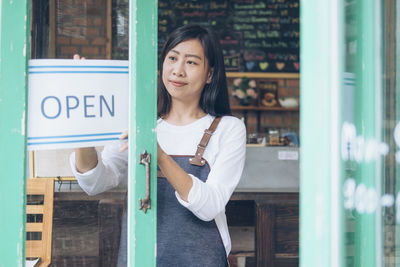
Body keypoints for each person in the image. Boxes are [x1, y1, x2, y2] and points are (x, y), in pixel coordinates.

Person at [70, 24, 246, 266]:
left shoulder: (228, 128)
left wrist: (158, 153)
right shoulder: (139, 121)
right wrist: (82, 128)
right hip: (140, 259)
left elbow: (210, 206)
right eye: (172, 58)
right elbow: (96, 182)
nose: (178, 70)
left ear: (210, 74)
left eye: (191, 62)